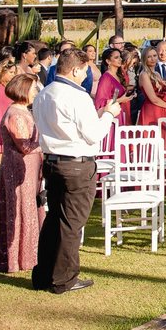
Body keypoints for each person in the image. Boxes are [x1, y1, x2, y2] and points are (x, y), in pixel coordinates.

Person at [32, 49, 121, 293]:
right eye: (84, 69)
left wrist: (100, 115)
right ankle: (64, 278)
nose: (86, 74)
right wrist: (110, 116)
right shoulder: (76, 96)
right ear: (74, 70)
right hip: (76, 163)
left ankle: (44, 274)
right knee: (71, 223)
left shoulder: (44, 93)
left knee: (53, 220)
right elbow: (93, 134)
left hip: (52, 160)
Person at [0, 74, 45, 273]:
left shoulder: (24, 111)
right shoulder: (16, 114)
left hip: (30, 168)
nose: (36, 93)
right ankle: (19, 257)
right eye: (33, 90)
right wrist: (47, 144)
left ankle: (31, 253)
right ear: (23, 91)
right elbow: (25, 146)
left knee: (30, 207)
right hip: (18, 167)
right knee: (22, 209)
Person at [94, 48, 133, 127]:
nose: (120, 59)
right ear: (108, 61)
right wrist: (120, 100)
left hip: (120, 111)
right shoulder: (106, 78)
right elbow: (100, 101)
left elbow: (114, 95)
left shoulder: (119, 75)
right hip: (112, 115)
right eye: (116, 57)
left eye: (120, 57)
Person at [137, 47, 166, 127]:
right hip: (151, 110)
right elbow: (153, 98)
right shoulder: (144, 74)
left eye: (154, 55)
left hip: (162, 107)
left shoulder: (157, 74)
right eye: (149, 57)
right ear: (144, 59)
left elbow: (163, 94)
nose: (152, 59)